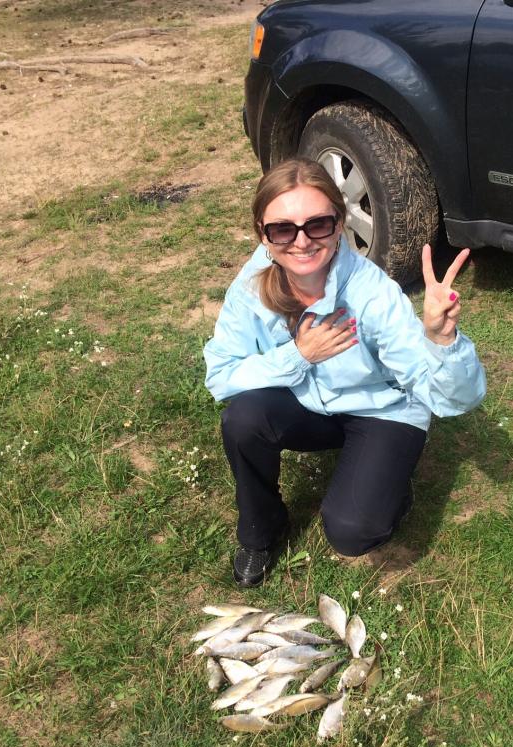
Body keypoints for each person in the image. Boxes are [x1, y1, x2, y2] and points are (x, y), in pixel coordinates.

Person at [204, 158, 485, 588]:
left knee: (352, 533)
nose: (301, 242)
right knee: (243, 418)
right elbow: (221, 375)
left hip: (380, 410)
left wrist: (441, 340)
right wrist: (299, 356)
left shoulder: (372, 293)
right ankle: (261, 530)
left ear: (339, 224)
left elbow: (454, 399)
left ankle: (392, 483)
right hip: (307, 403)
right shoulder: (252, 285)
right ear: (263, 234)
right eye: (282, 229)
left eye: (317, 224)